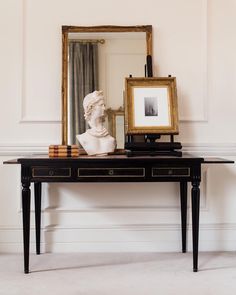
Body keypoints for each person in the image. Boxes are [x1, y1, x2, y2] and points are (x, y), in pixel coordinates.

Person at [77, 90, 116, 156]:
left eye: (104, 105)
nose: (104, 108)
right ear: (91, 108)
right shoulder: (83, 138)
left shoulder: (111, 140)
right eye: (101, 105)